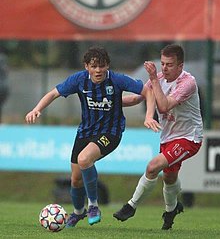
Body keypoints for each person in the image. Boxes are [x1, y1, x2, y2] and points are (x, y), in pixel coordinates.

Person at [25, 46, 159, 228]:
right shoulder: (79, 80)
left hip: (111, 133)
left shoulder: (117, 80)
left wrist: (149, 115)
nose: (98, 71)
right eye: (94, 66)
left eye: (102, 66)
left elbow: (147, 92)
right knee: (75, 179)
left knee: (84, 158)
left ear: (107, 66)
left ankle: (93, 206)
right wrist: (37, 109)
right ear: (86, 66)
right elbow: (54, 93)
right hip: (85, 132)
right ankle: (79, 212)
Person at [113, 44, 203, 230]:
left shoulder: (187, 83)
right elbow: (137, 98)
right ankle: (171, 211)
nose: (164, 68)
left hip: (189, 138)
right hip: (168, 137)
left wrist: (153, 78)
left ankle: (131, 206)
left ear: (180, 66)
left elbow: (163, 106)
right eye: (162, 64)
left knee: (152, 167)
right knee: (169, 178)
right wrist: (108, 102)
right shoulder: (159, 78)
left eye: (169, 64)